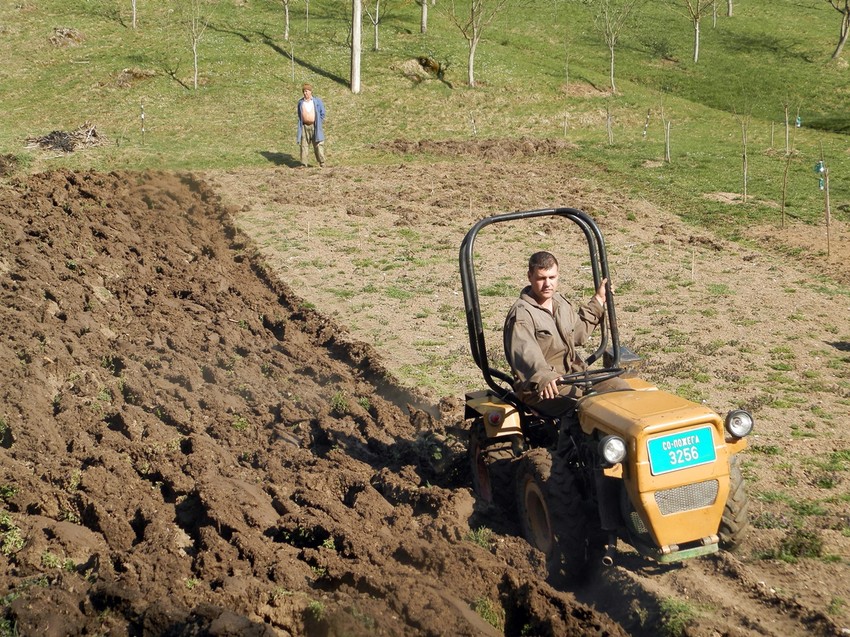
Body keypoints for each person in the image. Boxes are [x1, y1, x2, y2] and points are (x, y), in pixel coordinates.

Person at [503, 251, 627, 416]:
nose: (548, 284)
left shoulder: (560, 303)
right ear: (529, 277)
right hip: (541, 387)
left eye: (552, 277)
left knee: (624, 393)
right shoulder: (522, 315)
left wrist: (599, 300)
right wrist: (545, 376)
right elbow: (527, 355)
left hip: (575, 376)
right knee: (589, 408)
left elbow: (578, 334)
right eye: (541, 278)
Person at [296, 83, 326, 168]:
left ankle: (322, 163)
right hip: (304, 126)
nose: (305, 93)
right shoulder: (301, 102)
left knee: (318, 144)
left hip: (315, 126)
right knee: (304, 145)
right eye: (304, 91)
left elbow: (322, 113)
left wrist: (319, 121)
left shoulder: (317, 101)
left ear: (310, 91)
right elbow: (299, 114)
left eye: (307, 91)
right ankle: (303, 164)